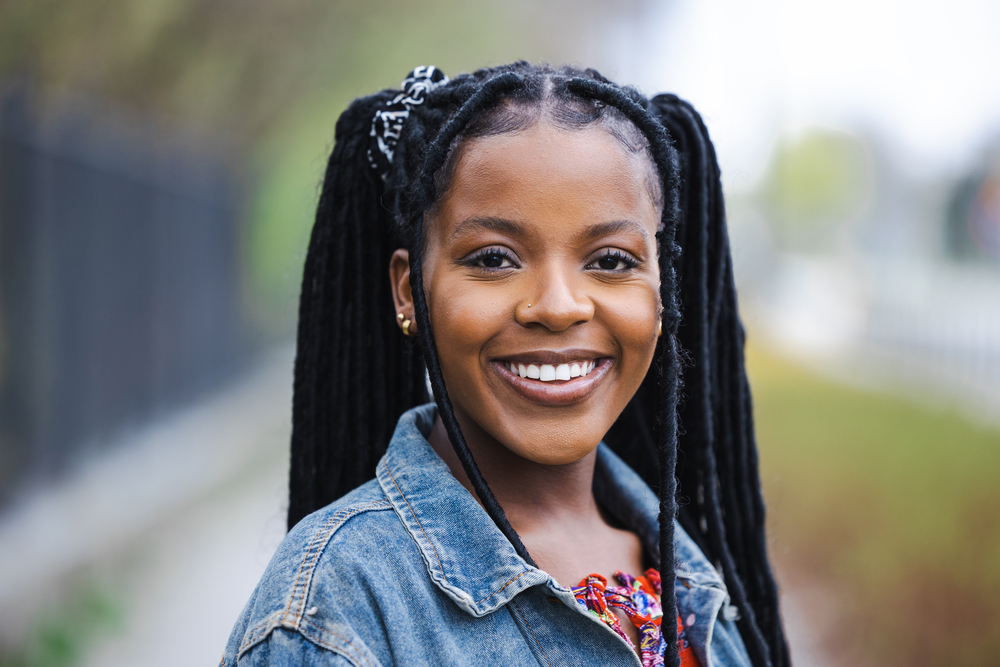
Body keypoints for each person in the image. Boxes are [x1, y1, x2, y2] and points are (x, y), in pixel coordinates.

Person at [220, 62, 790, 667]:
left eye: (613, 260)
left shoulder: (691, 573)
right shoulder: (338, 611)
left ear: (663, 289)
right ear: (410, 290)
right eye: (494, 258)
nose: (558, 306)